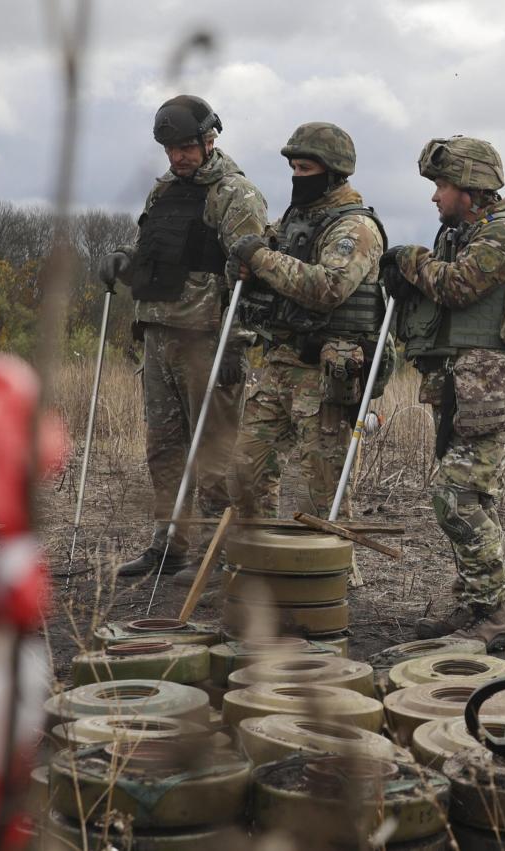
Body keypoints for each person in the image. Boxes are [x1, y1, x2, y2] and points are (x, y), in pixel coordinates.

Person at [380, 136, 505, 649]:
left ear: (472, 189)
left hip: (488, 387)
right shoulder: (463, 234)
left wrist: (409, 260)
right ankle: (477, 603)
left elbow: (457, 287)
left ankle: (492, 618)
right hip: (460, 383)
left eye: (442, 185)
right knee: (470, 495)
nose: (435, 197)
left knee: (454, 495)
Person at [100, 95, 268, 585]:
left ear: (210, 140)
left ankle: (219, 550)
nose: (179, 157)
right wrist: (122, 258)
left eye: (187, 147)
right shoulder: (163, 192)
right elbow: (153, 248)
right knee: (164, 447)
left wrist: (236, 345)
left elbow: (252, 272)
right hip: (159, 332)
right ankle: (170, 544)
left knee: (213, 451)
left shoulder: (237, 195)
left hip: (208, 339)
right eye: (171, 149)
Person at [225, 122, 387, 521]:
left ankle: (331, 578)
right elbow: (262, 262)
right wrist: (243, 267)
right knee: (246, 468)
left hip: (326, 372)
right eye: (294, 169)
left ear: (332, 173)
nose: (297, 178)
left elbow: (328, 287)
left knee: (323, 492)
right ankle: (261, 560)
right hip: (280, 363)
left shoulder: (355, 228)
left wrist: (261, 259)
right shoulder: (295, 220)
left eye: (306, 170)